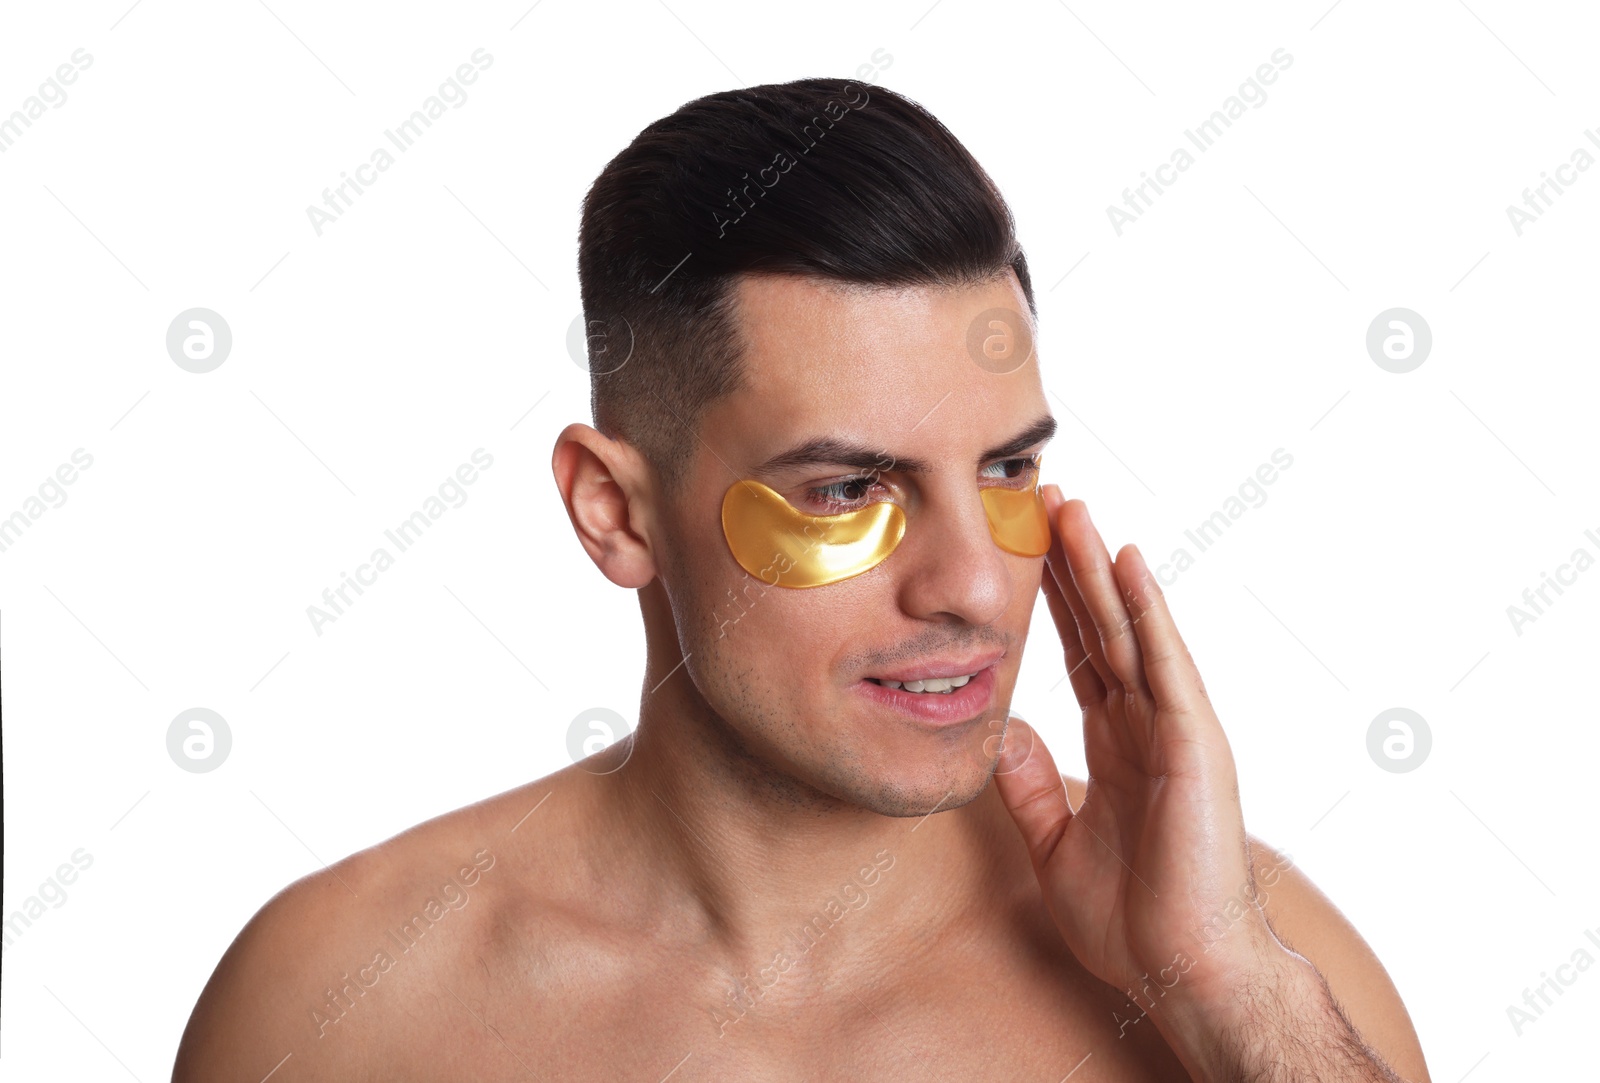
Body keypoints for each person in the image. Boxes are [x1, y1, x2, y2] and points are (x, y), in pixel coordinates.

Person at [173, 77, 1430, 1080]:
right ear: (614, 512)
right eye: (845, 490)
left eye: (1003, 470)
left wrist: (1222, 990)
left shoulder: (1252, 970)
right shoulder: (343, 1005)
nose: (974, 589)